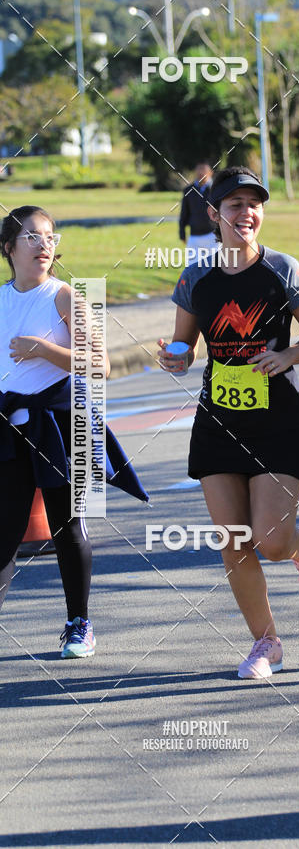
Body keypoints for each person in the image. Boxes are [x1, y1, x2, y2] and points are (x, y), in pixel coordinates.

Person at [158, 166, 299, 679]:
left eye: (253, 203)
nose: (246, 213)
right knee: (233, 537)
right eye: (233, 205)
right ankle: (266, 643)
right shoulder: (196, 277)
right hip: (219, 419)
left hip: (278, 418)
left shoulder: (282, 268)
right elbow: (185, 347)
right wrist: (175, 359)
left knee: (271, 540)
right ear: (214, 214)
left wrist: (290, 356)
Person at [0, 206, 148, 658]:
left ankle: (79, 624)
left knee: (67, 525)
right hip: (9, 424)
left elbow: (99, 364)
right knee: (4, 531)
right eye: (31, 237)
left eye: (49, 237)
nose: (44, 245)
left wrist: (44, 350)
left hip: (61, 425)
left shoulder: (64, 297)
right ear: (8, 249)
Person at [179, 161, 217, 256]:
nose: (201, 173)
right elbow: (184, 213)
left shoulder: (217, 190)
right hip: (194, 236)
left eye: (203, 170)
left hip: (213, 236)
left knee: (216, 267)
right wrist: (182, 232)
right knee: (193, 267)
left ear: (210, 172)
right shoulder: (188, 190)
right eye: (198, 170)